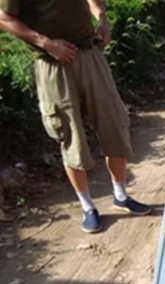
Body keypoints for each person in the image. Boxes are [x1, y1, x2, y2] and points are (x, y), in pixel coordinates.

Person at [0, 0, 151, 233]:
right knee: (70, 134)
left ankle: (121, 195)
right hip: (52, 62)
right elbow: (3, 17)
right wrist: (46, 43)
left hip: (90, 53)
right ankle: (88, 207)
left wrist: (102, 18)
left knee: (114, 123)